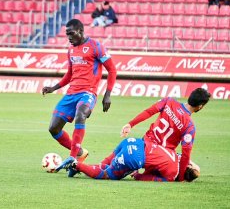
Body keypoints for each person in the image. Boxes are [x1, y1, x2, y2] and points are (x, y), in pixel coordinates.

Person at [58, 88, 210, 182]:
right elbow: (186, 154)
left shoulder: (169, 101)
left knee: (107, 165)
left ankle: (79, 167)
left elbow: (149, 112)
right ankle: (78, 165)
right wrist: (182, 177)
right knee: (109, 173)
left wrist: (130, 124)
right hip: (154, 156)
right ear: (200, 106)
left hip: (142, 143)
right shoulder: (189, 126)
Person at [42, 19, 117, 177]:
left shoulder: (96, 46)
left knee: (80, 115)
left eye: (71, 33)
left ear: (81, 31)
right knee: (53, 128)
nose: (69, 37)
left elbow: (112, 70)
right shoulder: (71, 50)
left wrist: (107, 95)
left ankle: (72, 157)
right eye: (67, 34)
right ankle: (81, 152)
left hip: (88, 92)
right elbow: (69, 74)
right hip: (71, 93)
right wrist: (53, 88)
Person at [59, 137, 200, 182]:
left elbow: (158, 161)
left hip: (133, 142)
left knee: (104, 165)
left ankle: (76, 168)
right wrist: (138, 175)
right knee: (107, 175)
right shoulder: (173, 175)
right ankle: (75, 164)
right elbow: (149, 178)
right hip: (135, 157)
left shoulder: (177, 156)